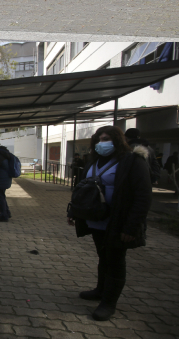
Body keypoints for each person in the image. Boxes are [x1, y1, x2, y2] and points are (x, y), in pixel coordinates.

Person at [65, 126, 152, 321]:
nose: (101, 143)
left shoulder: (132, 162)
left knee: (115, 261)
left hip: (118, 222)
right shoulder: (93, 162)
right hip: (96, 220)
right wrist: (73, 211)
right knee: (103, 256)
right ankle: (100, 290)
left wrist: (131, 227)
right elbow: (81, 189)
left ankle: (109, 303)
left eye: (106, 139)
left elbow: (143, 197)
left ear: (117, 140)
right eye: (98, 140)